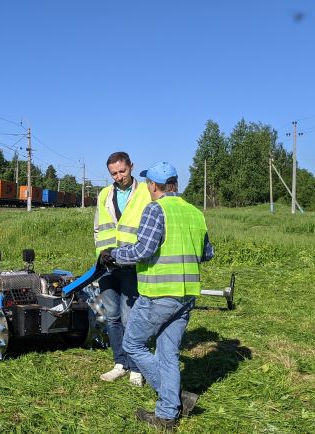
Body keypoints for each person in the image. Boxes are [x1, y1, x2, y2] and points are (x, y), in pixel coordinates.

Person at [103, 161, 214, 431]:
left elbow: (143, 251)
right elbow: (206, 254)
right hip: (187, 296)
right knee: (168, 353)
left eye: (149, 184)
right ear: (175, 183)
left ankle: (172, 398)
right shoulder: (194, 212)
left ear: (153, 185)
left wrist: (114, 255)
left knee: (133, 345)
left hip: (159, 294)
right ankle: (166, 416)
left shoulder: (156, 209)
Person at [93, 151, 152, 387]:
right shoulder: (104, 194)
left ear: (131, 167)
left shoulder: (146, 193)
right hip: (108, 266)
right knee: (112, 317)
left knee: (131, 318)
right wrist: (101, 254)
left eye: (122, 171)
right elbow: (99, 228)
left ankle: (136, 367)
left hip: (132, 265)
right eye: (113, 173)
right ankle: (120, 363)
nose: (118, 176)